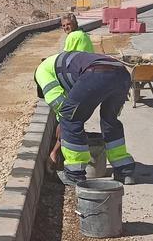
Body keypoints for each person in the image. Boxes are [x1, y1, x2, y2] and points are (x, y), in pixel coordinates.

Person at [34, 50, 138, 184]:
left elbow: (59, 104)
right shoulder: (66, 68)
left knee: (70, 119)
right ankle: (124, 171)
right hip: (122, 74)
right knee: (110, 120)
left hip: (96, 73)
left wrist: (63, 123)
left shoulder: (41, 71)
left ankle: (74, 174)